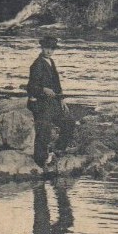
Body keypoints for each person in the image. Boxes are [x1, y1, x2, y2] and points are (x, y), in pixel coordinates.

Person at [26, 35, 75, 167]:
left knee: (69, 122)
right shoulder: (36, 65)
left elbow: (57, 85)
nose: (49, 51)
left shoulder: (51, 62)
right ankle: (40, 160)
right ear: (42, 48)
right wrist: (43, 89)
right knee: (44, 129)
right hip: (39, 103)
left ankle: (58, 150)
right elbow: (31, 87)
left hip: (52, 102)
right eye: (47, 48)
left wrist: (61, 99)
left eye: (52, 49)